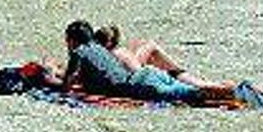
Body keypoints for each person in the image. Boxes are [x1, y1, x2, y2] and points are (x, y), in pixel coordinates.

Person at [59, 20, 240, 105]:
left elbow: (66, 85)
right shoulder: (99, 48)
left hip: (140, 86)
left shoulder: (79, 52)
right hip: (147, 74)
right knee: (192, 89)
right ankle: (231, 89)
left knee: (195, 93)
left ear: (72, 40)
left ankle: (236, 90)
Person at [94, 25, 233, 91]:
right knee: (203, 84)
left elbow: (136, 70)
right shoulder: (121, 52)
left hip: (152, 78)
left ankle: (228, 88)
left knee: (201, 86)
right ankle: (230, 87)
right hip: (161, 75)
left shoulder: (113, 55)